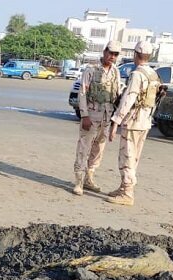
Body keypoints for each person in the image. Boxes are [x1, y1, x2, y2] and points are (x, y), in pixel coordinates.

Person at [108, 41, 162, 206]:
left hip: (133, 120)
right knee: (134, 157)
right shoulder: (153, 74)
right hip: (145, 121)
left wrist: (116, 121)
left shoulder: (137, 74)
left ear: (136, 55)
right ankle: (124, 187)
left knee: (127, 157)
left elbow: (128, 98)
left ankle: (127, 192)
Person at [72, 41, 122, 196]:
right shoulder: (91, 69)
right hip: (92, 115)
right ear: (104, 51)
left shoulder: (115, 71)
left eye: (115, 54)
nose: (112, 57)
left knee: (98, 149)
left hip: (106, 117)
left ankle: (89, 178)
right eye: (110, 53)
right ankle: (79, 181)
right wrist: (85, 115)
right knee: (84, 147)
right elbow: (83, 93)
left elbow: (117, 93)